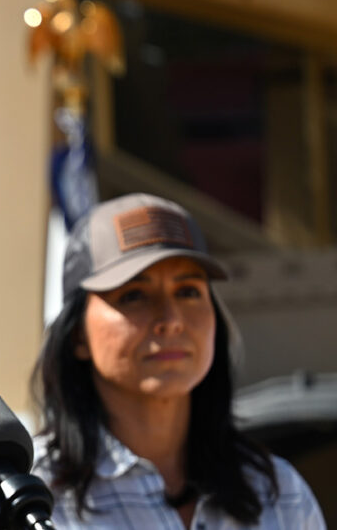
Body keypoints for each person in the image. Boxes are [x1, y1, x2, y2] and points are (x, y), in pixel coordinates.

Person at [29, 193, 325, 529]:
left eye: (188, 291)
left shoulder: (280, 493)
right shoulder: (30, 497)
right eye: (134, 295)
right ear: (77, 335)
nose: (171, 319)